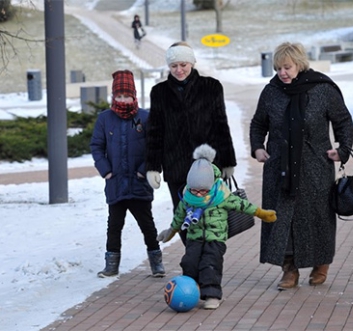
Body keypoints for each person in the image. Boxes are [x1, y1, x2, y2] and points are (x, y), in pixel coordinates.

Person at [249, 42, 353, 290]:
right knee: (282, 217)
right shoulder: (271, 91)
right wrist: (257, 146)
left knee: (318, 216)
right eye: (278, 68)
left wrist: (343, 150)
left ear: (299, 64)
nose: (282, 73)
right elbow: (258, 123)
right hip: (280, 167)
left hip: (315, 165)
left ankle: (321, 263)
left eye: (287, 67)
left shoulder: (322, 89)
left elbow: (344, 122)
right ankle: (289, 269)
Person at [157, 144, 277, 309]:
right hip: (194, 238)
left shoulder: (221, 195)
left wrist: (261, 213)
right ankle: (191, 290)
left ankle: (212, 295)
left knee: (210, 264)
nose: (198, 194)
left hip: (216, 238)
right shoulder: (187, 198)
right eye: (195, 191)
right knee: (189, 263)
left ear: (211, 185)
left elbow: (242, 205)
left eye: (203, 191)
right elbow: (179, 217)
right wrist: (170, 231)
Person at [146, 41, 237, 246]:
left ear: (192, 63)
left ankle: (208, 265)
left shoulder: (211, 87)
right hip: (175, 165)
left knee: (211, 216)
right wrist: (153, 167)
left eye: (183, 64)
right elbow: (155, 131)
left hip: (207, 167)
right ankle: (193, 259)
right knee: (182, 216)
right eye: (174, 66)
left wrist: (228, 161)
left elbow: (221, 125)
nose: (179, 70)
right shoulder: (159, 92)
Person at [90, 69, 165, 278]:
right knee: (114, 225)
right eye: (119, 96)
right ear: (113, 96)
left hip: (139, 183)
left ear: (134, 96)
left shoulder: (146, 118)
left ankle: (156, 262)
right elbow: (97, 146)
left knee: (147, 225)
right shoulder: (105, 119)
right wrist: (105, 171)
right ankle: (111, 264)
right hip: (115, 182)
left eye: (127, 95)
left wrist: (145, 171)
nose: (123, 100)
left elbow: (156, 147)